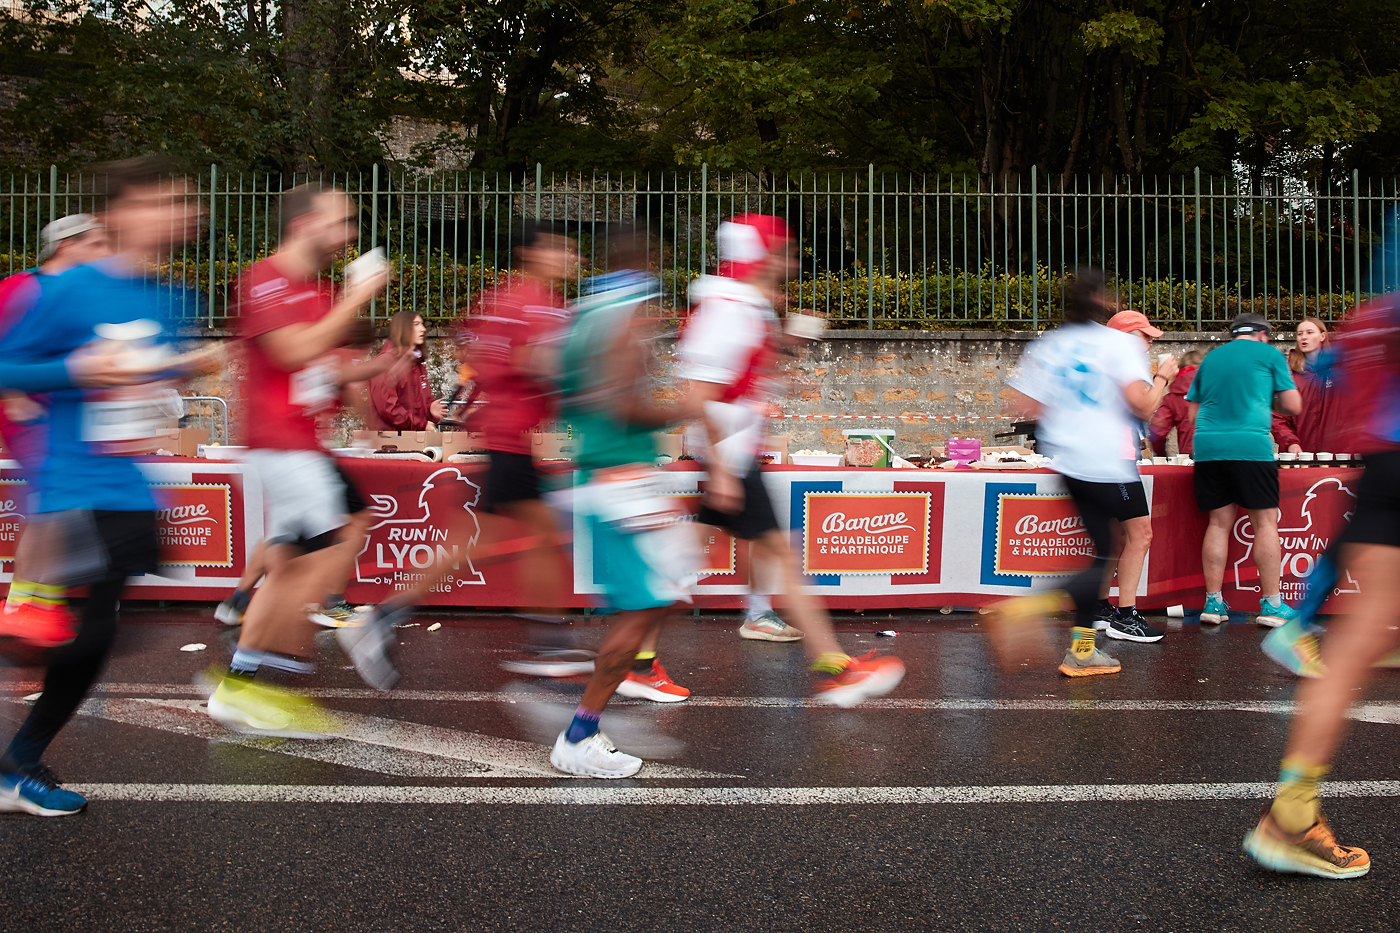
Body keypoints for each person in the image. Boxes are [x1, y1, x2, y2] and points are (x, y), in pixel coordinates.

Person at [0, 155, 214, 815]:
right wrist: (78, 369)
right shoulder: (67, 290)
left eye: (182, 201)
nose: (178, 213)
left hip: (128, 484)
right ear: (119, 214)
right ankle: (17, 764)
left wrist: (185, 366)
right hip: (73, 482)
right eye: (160, 200)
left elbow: (148, 382)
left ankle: (18, 762)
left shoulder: (176, 298)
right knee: (86, 634)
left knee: (100, 633)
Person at [677, 214, 904, 705]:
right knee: (778, 554)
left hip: (733, 452)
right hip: (730, 454)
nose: (791, 260)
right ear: (760, 256)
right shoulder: (729, 307)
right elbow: (700, 392)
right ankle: (834, 665)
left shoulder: (746, 304)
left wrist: (785, 356)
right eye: (782, 251)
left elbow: (743, 376)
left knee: (680, 565)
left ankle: (637, 657)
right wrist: (723, 471)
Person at [206, 184, 398, 736]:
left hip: (302, 446)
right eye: (340, 222)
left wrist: (378, 362)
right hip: (279, 447)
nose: (349, 234)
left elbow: (325, 367)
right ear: (304, 223)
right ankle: (276, 675)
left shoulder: (318, 291)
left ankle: (243, 684)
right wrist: (357, 296)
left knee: (291, 567)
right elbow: (290, 351)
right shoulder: (264, 278)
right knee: (318, 561)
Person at [365, 222, 592, 679]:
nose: (571, 257)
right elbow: (526, 361)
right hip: (511, 440)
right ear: (532, 253)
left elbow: (478, 353)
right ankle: (547, 644)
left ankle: (384, 615)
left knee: (484, 542)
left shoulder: (513, 299)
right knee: (539, 538)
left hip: (509, 438)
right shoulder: (530, 302)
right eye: (560, 248)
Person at [1242, 296, 1400, 879]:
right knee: (1361, 639)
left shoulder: (1379, 308)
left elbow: (1344, 362)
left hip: (1386, 456)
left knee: (1359, 640)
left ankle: (1292, 812)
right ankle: (1290, 817)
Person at [550, 227, 701, 776]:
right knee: (643, 609)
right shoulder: (619, 316)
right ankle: (579, 735)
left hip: (617, 478)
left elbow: (562, 388)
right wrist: (687, 407)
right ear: (646, 260)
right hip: (619, 484)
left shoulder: (585, 313)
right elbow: (620, 405)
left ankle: (623, 681)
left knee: (662, 597)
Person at [993, 270, 1178, 675]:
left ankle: (1081, 650)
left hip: (1069, 462)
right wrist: (1163, 375)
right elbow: (1144, 407)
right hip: (1107, 461)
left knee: (1102, 549)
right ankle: (1028, 610)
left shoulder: (1051, 343)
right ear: (1101, 300)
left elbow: (1024, 407)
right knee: (1104, 555)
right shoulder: (1118, 345)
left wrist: (1072, 414)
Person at [0, 214, 111, 646]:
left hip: (66, 416)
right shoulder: (21, 287)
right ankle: (28, 607)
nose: (105, 253)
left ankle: (33, 605)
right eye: (96, 244)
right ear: (67, 245)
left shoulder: (82, 293)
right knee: (56, 502)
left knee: (58, 505)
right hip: (30, 413)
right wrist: (15, 397)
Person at [1187, 312, 1302, 627]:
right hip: (1250, 447)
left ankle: (1213, 603)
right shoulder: (1269, 354)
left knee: (1217, 524)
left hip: (1208, 447)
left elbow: (1193, 415)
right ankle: (1272, 605)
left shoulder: (1211, 358)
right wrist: (1267, 401)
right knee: (1265, 524)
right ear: (1263, 334)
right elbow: (1293, 406)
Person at [1091, 309, 1176, 642]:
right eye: (1145, 336)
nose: (1150, 343)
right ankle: (1125, 617)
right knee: (1141, 535)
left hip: (1103, 456)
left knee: (1117, 535)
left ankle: (1101, 608)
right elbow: (1145, 407)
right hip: (1115, 460)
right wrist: (1162, 378)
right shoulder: (1122, 363)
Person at [1272, 317, 1344, 454]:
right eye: (1300, 334)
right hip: (1300, 456)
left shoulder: (1340, 370)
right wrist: (1290, 443)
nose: (1303, 337)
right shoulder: (1288, 375)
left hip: (1338, 456)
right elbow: (1277, 417)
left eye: (1310, 332)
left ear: (1322, 336)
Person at [368, 310, 445, 431]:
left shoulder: (418, 365)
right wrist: (421, 424)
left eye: (422, 324)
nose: (423, 329)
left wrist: (430, 409)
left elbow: (420, 402)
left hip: (412, 438)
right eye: (416, 324)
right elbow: (388, 408)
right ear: (403, 329)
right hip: (390, 439)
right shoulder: (384, 363)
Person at [1149, 349, 1202, 457]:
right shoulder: (1217, 386)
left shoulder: (1172, 398)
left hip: (1190, 456)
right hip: (1224, 451)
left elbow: (1157, 430)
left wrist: (1162, 455)